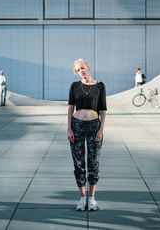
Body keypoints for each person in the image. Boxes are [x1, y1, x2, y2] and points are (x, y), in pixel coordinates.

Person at [67, 58, 107, 211]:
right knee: (78, 163)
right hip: (76, 126)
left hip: (94, 126)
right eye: (78, 70)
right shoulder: (74, 86)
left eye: (82, 68)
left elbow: (103, 110)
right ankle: (82, 198)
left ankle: (92, 199)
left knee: (93, 162)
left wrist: (101, 130)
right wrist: (69, 129)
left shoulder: (100, 86)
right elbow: (71, 108)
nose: (81, 71)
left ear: (87, 67)